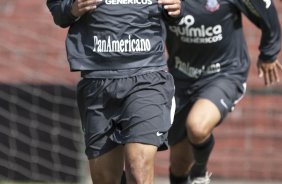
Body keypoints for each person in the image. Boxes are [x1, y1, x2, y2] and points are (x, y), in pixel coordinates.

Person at [46, 0, 182, 183]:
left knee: (138, 165)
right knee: (105, 178)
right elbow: (59, 12)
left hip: (146, 77)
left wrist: (177, 9)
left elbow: (177, 11)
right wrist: (72, 9)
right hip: (97, 81)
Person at [165, 0, 281, 183]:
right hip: (181, 77)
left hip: (224, 73)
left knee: (197, 126)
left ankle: (199, 173)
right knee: (179, 163)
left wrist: (269, 53)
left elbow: (266, 9)